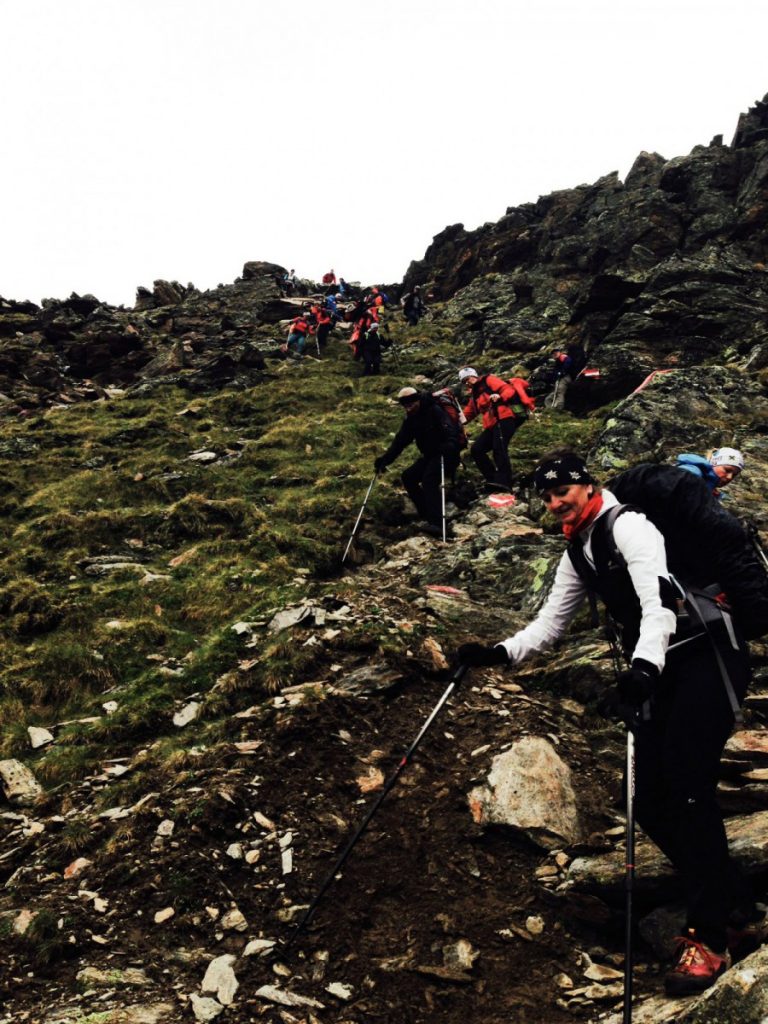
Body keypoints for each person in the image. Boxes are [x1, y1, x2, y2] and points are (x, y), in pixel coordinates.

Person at [458, 450, 767, 997]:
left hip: (705, 655)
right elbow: (550, 623)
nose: (556, 503)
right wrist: (497, 654)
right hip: (658, 668)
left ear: (587, 485)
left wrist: (643, 668)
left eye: (564, 491)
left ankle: (710, 936)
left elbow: (659, 602)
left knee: (689, 786)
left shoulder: (630, 526)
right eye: (547, 496)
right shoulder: (577, 550)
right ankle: (736, 902)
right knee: (648, 799)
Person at [373, 387, 461, 537]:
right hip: (429, 455)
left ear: (417, 400)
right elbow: (400, 442)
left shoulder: (434, 410)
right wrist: (385, 460)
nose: (407, 407)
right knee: (408, 477)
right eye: (404, 404)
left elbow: (450, 430)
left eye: (410, 403)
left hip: (446, 454)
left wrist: (449, 444)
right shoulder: (411, 419)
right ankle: (427, 514)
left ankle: (438, 523)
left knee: (429, 480)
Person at [458, 367, 534, 490]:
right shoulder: (474, 395)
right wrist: (454, 421)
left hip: (504, 418)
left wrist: (499, 396)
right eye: (464, 381)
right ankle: (492, 479)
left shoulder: (489, 380)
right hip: (492, 424)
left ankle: (504, 482)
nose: (468, 382)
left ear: (475, 375)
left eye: (469, 378)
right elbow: (469, 413)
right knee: (477, 449)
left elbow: (508, 390)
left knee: (499, 448)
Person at [676, 447, 745, 499]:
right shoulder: (692, 472)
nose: (729, 477)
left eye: (734, 475)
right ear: (713, 463)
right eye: (727, 470)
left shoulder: (711, 491)